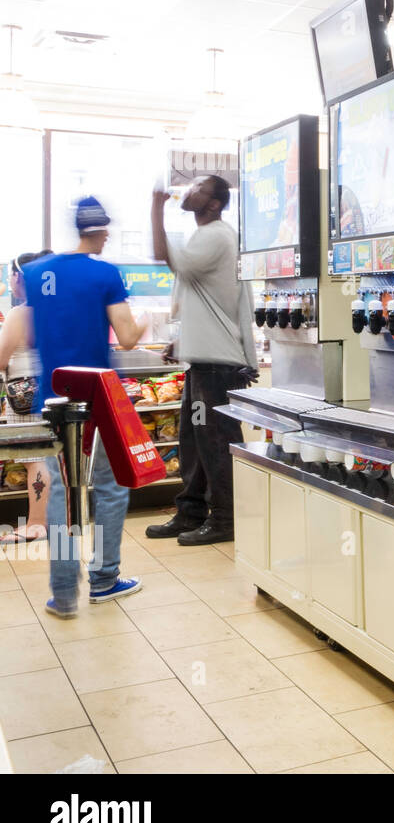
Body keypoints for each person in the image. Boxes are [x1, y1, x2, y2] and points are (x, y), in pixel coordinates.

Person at [0, 199, 146, 617]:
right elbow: (129, 336)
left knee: (60, 494)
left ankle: (64, 595)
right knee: (111, 486)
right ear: (99, 231)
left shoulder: (34, 273)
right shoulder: (105, 273)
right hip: (98, 399)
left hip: (53, 400)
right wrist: (145, 326)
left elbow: (20, 339)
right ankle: (104, 579)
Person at [146, 176, 256, 546]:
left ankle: (226, 519)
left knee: (215, 442)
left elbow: (167, 258)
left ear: (213, 204)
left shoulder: (216, 235)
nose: (189, 191)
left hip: (217, 365)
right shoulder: (208, 235)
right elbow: (208, 302)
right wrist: (183, 339)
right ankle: (191, 511)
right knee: (194, 440)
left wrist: (156, 207)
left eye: (199, 189)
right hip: (204, 361)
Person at [0, 249, 53, 543]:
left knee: (35, 460)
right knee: (48, 457)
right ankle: (47, 519)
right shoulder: (54, 309)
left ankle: (36, 524)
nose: (9, 280)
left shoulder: (20, 313)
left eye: (11, 274)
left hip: (23, 395)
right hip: (48, 390)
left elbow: (1, 359)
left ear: (21, 278)